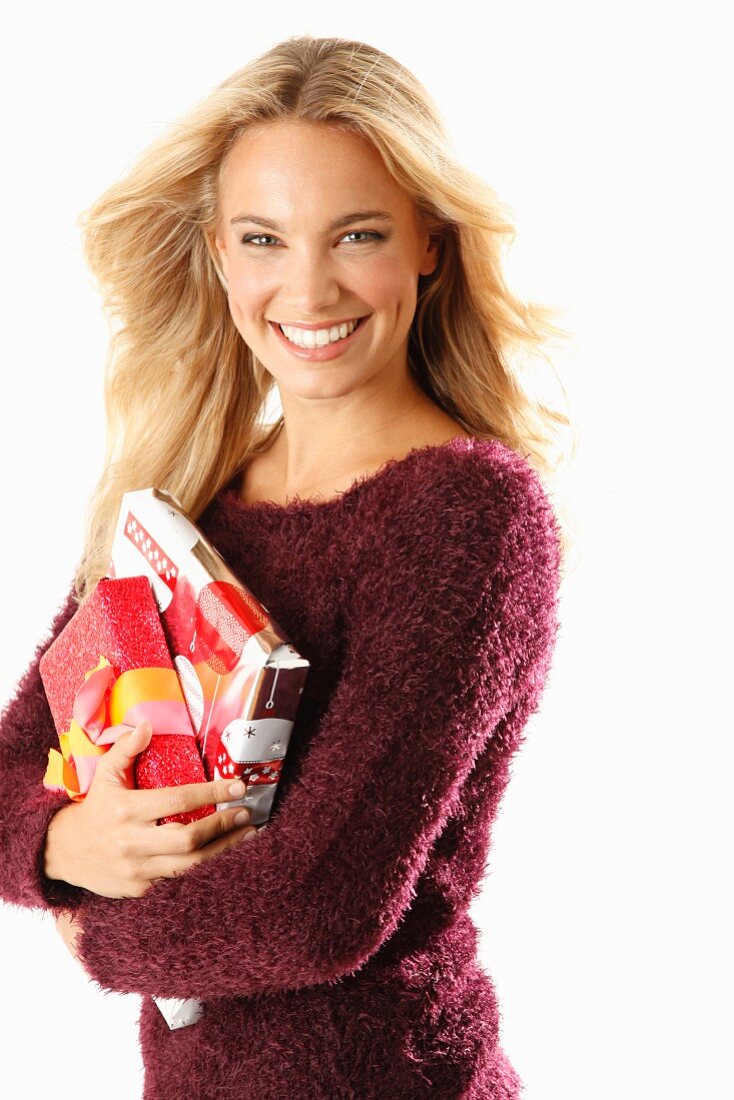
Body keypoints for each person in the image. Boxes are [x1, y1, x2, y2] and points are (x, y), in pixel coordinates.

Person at [0, 35, 574, 1100]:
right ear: (218, 252)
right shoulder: (190, 495)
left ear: (428, 246)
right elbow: (8, 772)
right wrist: (66, 836)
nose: (307, 288)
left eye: (356, 234)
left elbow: (315, 905)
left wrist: (91, 933)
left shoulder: (465, 512)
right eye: (263, 238)